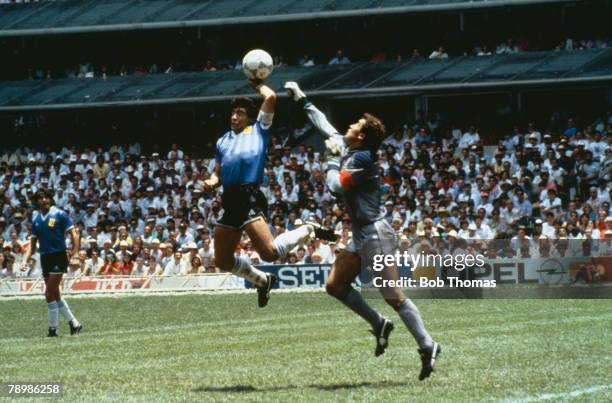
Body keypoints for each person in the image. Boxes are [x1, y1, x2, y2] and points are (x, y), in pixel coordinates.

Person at [284, 81, 440, 381]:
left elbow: (333, 188)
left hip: (376, 235)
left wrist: (329, 160)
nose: (350, 125)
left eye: (355, 124)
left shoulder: (362, 159)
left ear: (363, 135)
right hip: (361, 233)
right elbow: (325, 126)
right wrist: (301, 97)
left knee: (393, 295)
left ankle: (428, 344)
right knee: (335, 285)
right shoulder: (350, 146)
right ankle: (380, 325)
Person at [202, 80, 334, 307]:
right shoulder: (222, 141)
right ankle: (263, 280)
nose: (234, 117)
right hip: (230, 199)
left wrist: (257, 83)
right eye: (233, 113)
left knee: (270, 253)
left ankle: (308, 228)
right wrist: (210, 182)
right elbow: (217, 174)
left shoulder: (258, 129)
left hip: (249, 195)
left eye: (240, 113)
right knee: (222, 261)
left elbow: (271, 97)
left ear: (251, 117)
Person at [21, 189, 82, 338]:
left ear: (50, 199)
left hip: (58, 256)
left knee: (48, 293)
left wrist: (75, 254)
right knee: (55, 294)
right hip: (45, 258)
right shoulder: (36, 219)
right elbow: (33, 244)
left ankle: (53, 330)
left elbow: (74, 234)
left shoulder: (60, 214)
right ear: (37, 201)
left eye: (46, 197)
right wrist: (24, 260)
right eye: (40, 198)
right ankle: (74, 323)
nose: (43, 200)